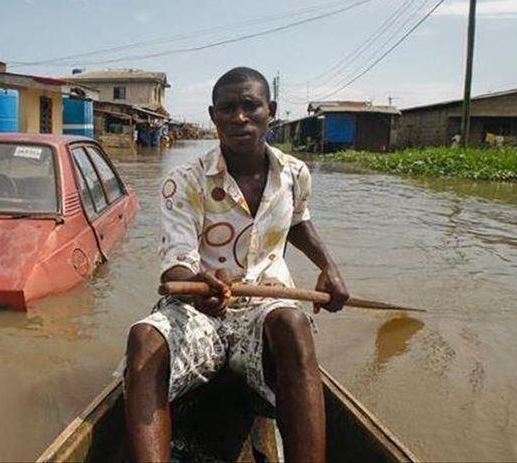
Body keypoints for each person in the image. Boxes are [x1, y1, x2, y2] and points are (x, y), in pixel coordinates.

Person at [123, 67, 349, 463]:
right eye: (228, 108)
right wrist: (199, 285)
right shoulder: (184, 180)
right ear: (213, 116)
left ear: (270, 111)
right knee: (143, 339)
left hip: (266, 308)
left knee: (294, 327)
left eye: (250, 106)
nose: (239, 117)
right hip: (200, 314)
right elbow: (176, 265)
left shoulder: (295, 173)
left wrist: (329, 266)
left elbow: (297, 220)